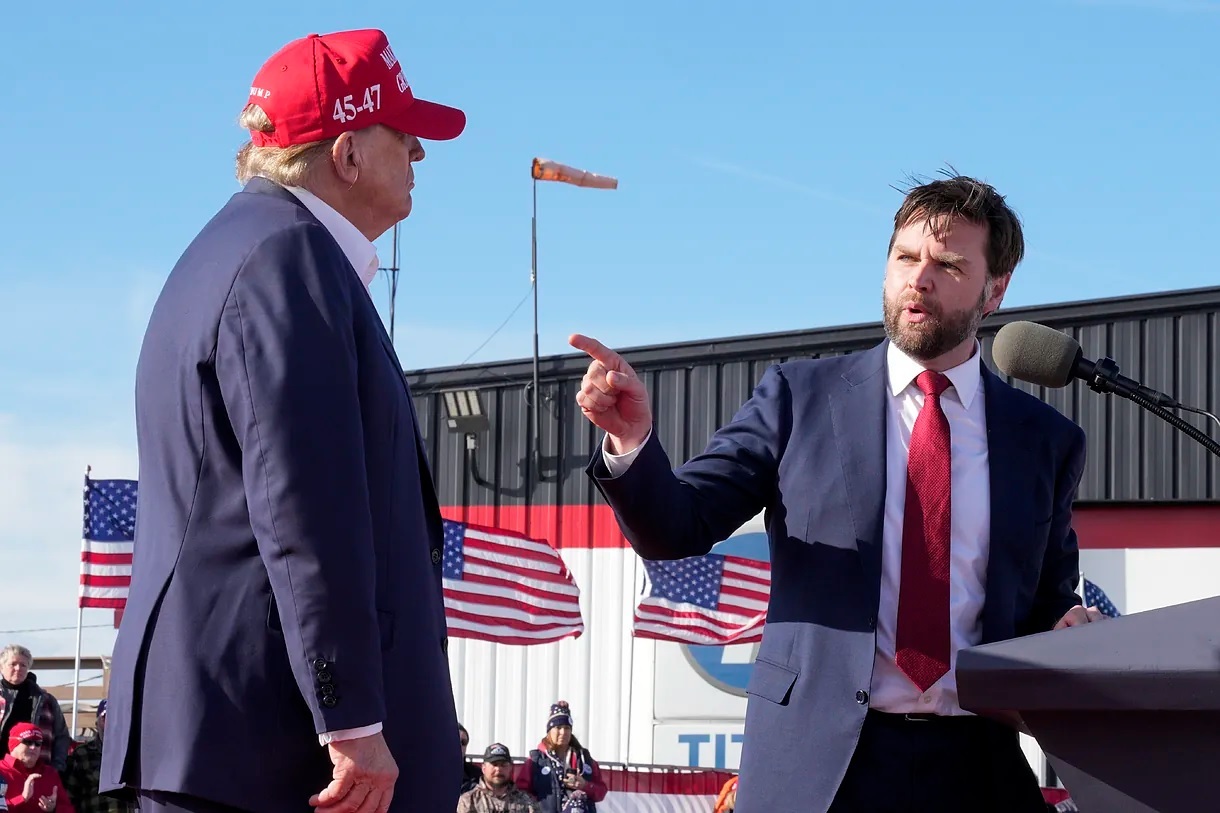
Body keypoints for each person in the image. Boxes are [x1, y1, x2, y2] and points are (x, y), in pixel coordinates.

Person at [571, 173, 1106, 813]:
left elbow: (1044, 603)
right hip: (821, 769)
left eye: (948, 265)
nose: (919, 278)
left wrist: (1070, 630)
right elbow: (675, 527)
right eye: (905, 257)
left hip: (978, 767)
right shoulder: (800, 397)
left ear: (995, 291)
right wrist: (632, 441)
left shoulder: (1045, 440)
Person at [99, 27, 467, 813]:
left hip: (231, 743)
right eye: (403, 134)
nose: (420, 154)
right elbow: (305, 502)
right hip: (275, 759)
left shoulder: (233, 249)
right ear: (346, 155)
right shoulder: (286, 258)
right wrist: (352, 717)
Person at [515, 703, 606, 813]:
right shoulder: (536, 760)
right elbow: (520, 791)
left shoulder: (584, 759)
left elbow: (601, 792)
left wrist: (585, 785)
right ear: (549, 730)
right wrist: (533, 806)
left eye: (567, 728)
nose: (563, 732)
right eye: (558, 727)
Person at [0, 646, 71, 772]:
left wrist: (57, 767)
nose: (18, 668)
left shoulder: (46, 700)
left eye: (23, 665)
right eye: (13, 664)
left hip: (38, 772)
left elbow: (62, 736)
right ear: (2, 667)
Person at [61, 700, 134, 813]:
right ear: (97, 723)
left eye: (116, 716)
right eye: (106, 717)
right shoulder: (81, 755)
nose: (111, 722)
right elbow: (69, 799)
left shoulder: (133, 753)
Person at [1, 723, 75, 812]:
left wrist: (54, 809)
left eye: (38, 743)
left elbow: (68, 809)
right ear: (14, 744)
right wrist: (22, 798)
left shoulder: (49, 774)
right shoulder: (2, 771)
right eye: (28, 742)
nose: (33, 747)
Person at [455, 744, 539, 813]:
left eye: (503, 765)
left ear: (510, 768)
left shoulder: (527, 803)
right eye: (494, 764)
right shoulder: (468, 801)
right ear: (483, 768)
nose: (498, 769)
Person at [458, 724, 482, 794]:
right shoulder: (432, 771)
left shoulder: (476, 774)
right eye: (456, 741)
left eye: (463, 742)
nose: (460, 746)